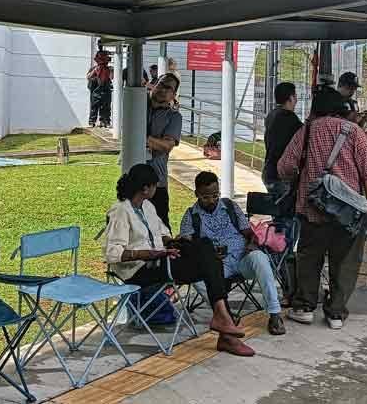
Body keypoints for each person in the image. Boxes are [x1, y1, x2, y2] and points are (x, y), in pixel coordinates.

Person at [103, 164, 254, 356]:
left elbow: (163, 233)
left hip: (160, 260)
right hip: (138, 270)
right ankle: (225, 328)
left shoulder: (147, 206)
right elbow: (113, 253)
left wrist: (175, 242)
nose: (157, 189)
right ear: (145, 188)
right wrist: (150, 254)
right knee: (210, 262)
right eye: (155, 186)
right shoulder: (120, 211)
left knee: (206, 251)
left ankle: (224, 323)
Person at [277, 88, 367, 330]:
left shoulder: (307, 130)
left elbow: (284, 167)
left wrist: (303, 173)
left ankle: (305, 307)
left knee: (310, 258)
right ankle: (335, 312)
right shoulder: (354, 131)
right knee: (345, 262)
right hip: (347, 211)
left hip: (313, 208)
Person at [179, 171, 286, 335]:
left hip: (241, 258)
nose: (212, 200)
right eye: (206, 197)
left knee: (260, 257)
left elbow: (248, 232)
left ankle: (274, 314)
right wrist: (208, 256)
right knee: (197, 277)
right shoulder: (190, 216)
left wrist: (251, 244)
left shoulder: (229, 206)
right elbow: (187, 246)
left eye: (215, 195)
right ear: (197, 194)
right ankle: (225, 315)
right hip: (216, 267)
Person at [147, 73, 182, 229]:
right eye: (161, 84)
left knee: (161, 228)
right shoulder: (138, 105)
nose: (162, 89)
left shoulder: (174, 117)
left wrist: (139, 139)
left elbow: (166, 145)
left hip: (157, 181)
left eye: (169, 88)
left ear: (173, 95)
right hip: (132, 178)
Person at [262, 82, 303, 198]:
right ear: (290, 98)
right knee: (286, 211)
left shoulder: (272, 114)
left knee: (277, 210)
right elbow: (306, 134)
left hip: (269, 171)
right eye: (295, 96)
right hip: (280, 175)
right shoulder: (289, 118)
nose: (296, 99)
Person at [86, 48, 113, 128]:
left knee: (106, 107)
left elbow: (111, 77)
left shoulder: (109, 69)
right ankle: (92, 122)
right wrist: (95, 71)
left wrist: (109, 71)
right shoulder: (94, 68)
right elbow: (88, 77)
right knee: (94, 106)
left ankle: (105, 121)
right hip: (95, 90)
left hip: (106, 90)